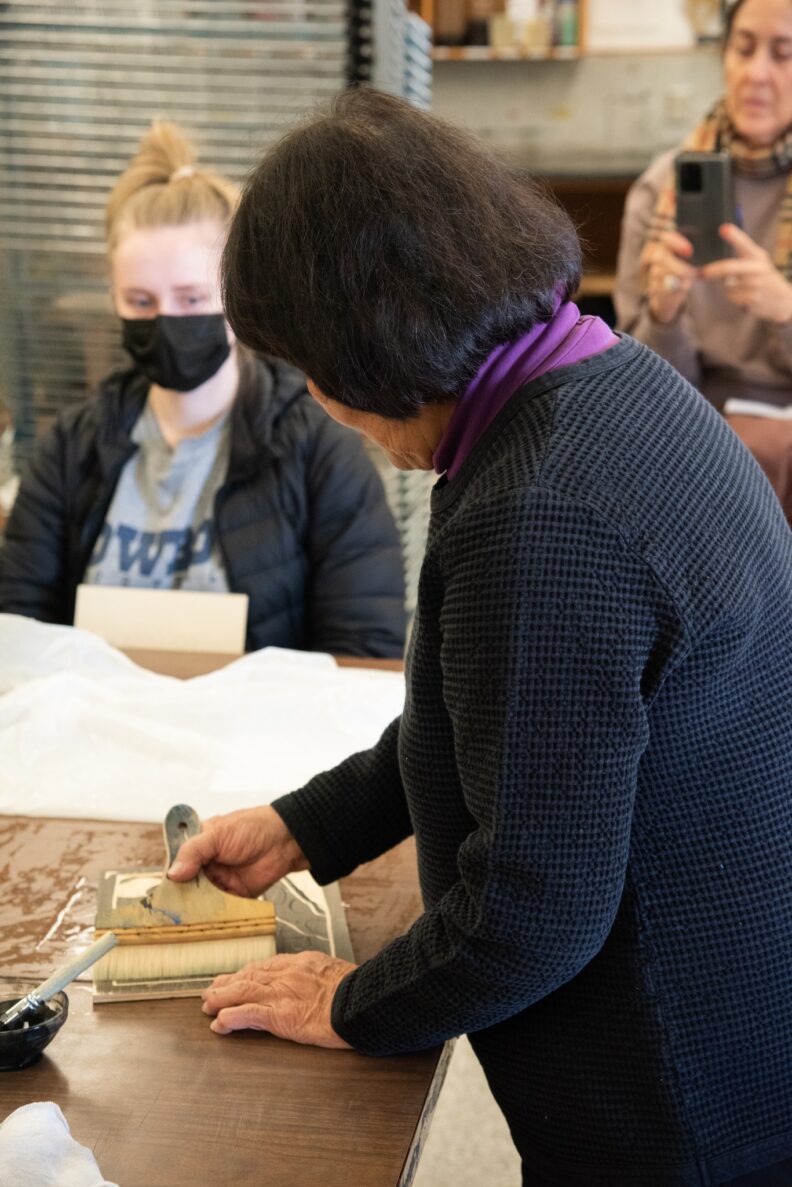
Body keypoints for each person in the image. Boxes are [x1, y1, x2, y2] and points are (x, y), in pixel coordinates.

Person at [168, 90, 792, 1186]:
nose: (320, 399)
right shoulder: (605, 376)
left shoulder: (540, 514)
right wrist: (307, 824)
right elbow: (518, 720)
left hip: (676, 1104)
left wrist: (353, 1001)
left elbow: (534, 912)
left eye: (314, 367)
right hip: (738, 1019)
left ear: (368, 350)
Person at [0, 122, 405, 658]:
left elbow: (364, 650)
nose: (166, 319)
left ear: (236, 296)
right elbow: (18, 635)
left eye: (192, 299)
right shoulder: (70, 450)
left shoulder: (317, 449)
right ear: (114, 298)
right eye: (141, 302)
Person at [615, 0, 792, 524]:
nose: (756, 73)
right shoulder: (660, 189)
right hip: (693, 422)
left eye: (783, 54)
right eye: (743, 49)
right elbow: (639, 385)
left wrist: (785, 310)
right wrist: (665, 313)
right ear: (723, 56)